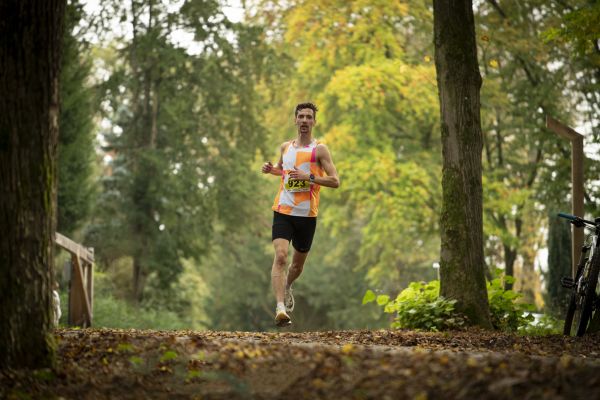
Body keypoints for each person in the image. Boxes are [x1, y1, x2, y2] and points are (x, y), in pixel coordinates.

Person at [261, 102, 340, 327]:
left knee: (296, 267)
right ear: (295, 120)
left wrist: (310, 178)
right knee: (281, 256)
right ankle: (280, 308)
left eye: (308, 117)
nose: (304, 120)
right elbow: (283, 171)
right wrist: (270, 170)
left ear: (314, 122)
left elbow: (335, 181)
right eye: (301, 116)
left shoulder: (320, 150)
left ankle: (287, 286)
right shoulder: (285, 147)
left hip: (307, 215)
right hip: (283, 210)